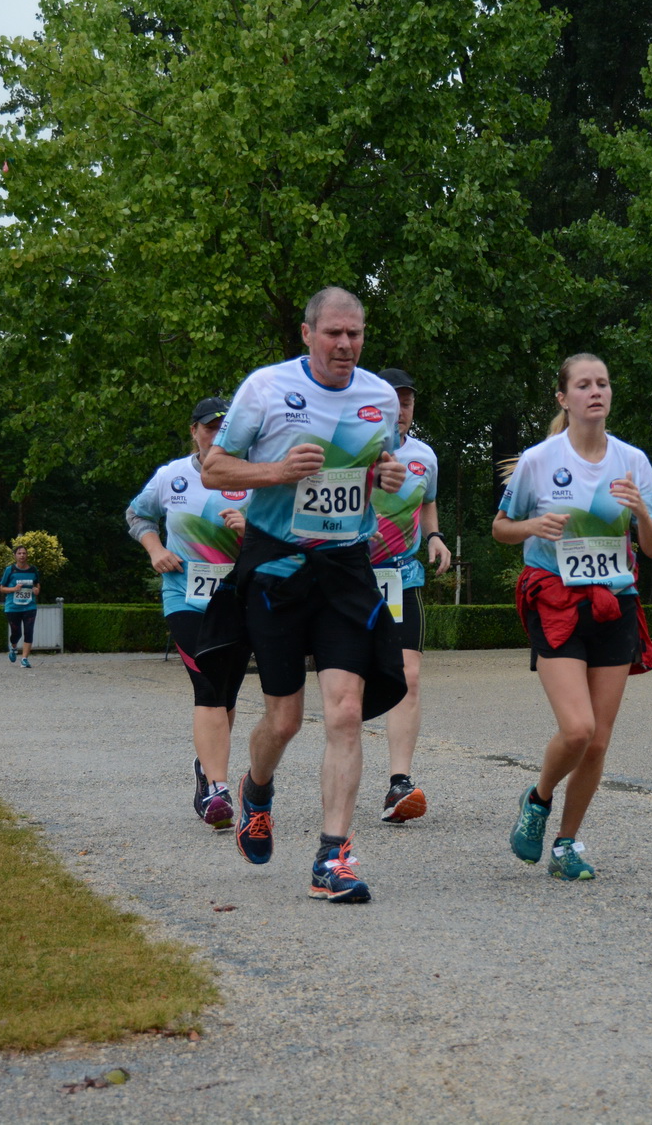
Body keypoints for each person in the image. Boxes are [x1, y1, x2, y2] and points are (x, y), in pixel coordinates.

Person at [199, 286, 408, 905]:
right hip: (278, 566)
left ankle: (332, 856)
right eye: (333, 333)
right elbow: (214, 467)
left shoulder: (379, 398)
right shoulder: (266, 388)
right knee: (285, 719)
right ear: (307, 333)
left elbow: (378, 470)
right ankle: (256, 790)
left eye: (355, 334)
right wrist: (276, 472)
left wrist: (386, 476)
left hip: (345, 566)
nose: (345, 344)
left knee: (345, 711)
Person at [493, 353, 652, 881]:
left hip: (615, 604)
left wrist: (641, 512)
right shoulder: (538, 460)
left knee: (598, 740)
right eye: (585, 384)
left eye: (603, 384)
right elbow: (500, 528)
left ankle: (566, 844)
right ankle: (538, 798)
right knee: (577, 729)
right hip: (556, 602)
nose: (596, 392)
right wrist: (531, 527)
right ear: (563, 398)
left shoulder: (632, 460)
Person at [127, 396, 253, 829]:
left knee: (227, 694)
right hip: (186, 597)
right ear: (194, 431)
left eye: (225, 428)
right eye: (210, 427)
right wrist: (155, 549)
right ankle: (217, 789)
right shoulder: (172, 476)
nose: (217, 435)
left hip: (238, 600)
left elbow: (283, 534)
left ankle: (206, 768)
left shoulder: (254, 476)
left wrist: (252, 530)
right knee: (208, 684)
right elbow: (137, 514)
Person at [366, 368, 452, 823]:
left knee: (409, 677)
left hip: (402, 577)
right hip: (350, 577)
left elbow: (428, 500)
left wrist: (434, 536)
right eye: (391, 400)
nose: (400, 410)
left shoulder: (424, 456)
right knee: (348, 685)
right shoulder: (350, 450)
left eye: (407, 401)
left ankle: (399, 782)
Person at [0, 545, 42, 668]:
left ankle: (24, 659)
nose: (22, 555)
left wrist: (37, 590)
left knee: (29, 631)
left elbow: (37, 584)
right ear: (15, 556)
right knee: (16, 633)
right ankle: (13, 648)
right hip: (13, 607)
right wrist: (14, 589)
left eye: (24, 553)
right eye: (19, 553)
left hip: (29, 606)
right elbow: (2, 588)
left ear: (27, 555)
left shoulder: (33, 570)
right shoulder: (10, 570)